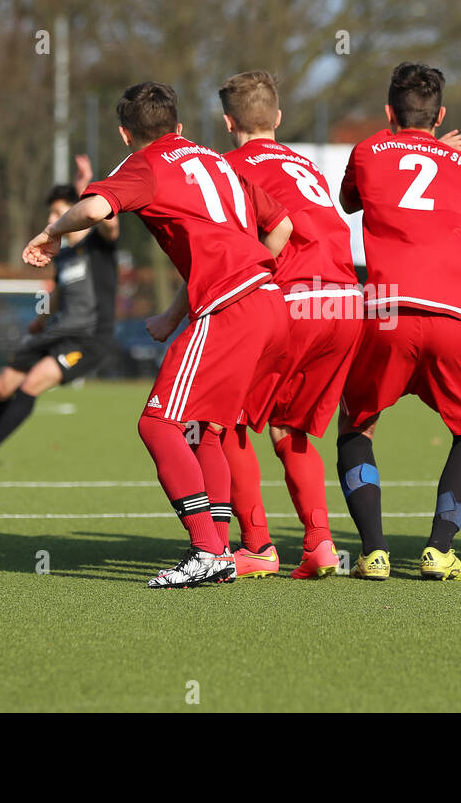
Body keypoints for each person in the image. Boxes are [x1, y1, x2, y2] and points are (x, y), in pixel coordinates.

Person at [23, 82, 292, 589]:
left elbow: (95, 209)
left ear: (126, 134)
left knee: (157, 425)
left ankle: (207, 550)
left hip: (233, 308)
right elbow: (280, 229)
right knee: (202, 428)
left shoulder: (143, 164)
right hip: (270, 303)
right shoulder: (217, 160)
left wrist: (51, 232)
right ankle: (217, 549)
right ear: (181, 127)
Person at [190, 69, 365, 579]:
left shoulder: (228, 167)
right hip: (346, 301)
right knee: (293, 428)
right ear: (279, 118)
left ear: (227, 122)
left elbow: (232, 249)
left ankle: (259, 546)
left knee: (226, 419)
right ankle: (320, 544)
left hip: (290, 300)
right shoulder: (303, 162)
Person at [336, 62, 461, 581]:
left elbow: (349, 200)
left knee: (357, 426)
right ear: (442, 114)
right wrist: (438, 150)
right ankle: (439, 550)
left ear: (387, 113)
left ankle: (375, 552)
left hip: (387, 310)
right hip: (459, 313)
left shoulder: (366, 150)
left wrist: (401, 145)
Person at [0, 157, 118, 471]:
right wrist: (41, 320)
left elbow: (110, 222)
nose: (52, 219)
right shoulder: (66, 255)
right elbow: (58, 293)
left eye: (58, 213)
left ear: (75, 214)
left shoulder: (101, 246)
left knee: (33, 382)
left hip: (88, 340)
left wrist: (86, 188)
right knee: (3, 383)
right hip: (57, 332)